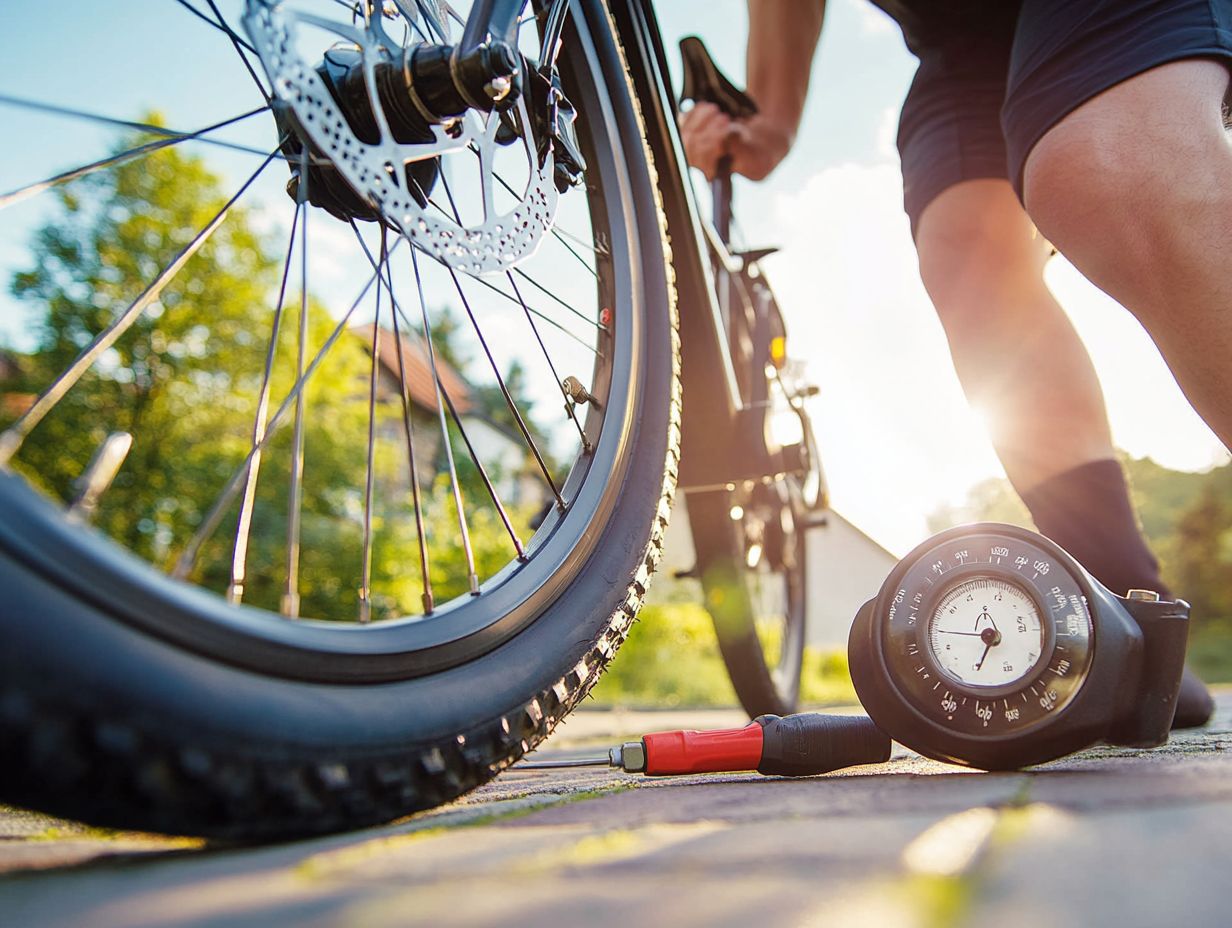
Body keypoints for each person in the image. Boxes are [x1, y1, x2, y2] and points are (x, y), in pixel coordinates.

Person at [680, 0, 1232, 727]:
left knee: (1109, 157)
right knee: (968, 251)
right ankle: (1128, 626)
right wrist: (773, 119)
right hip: (958, 31)